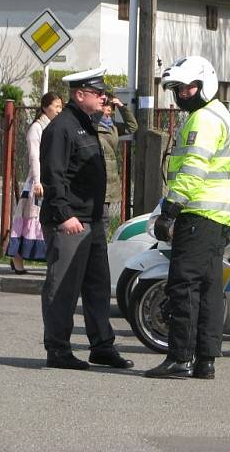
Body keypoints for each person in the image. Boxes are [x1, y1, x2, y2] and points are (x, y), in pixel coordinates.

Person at [145, 55, 230, 380]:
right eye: (178, 89)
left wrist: (169, 211)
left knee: (184, 286)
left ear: (205, 83)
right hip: (220, 217)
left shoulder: (202, 119)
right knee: (209, 289)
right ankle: (205, 360)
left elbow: (192, 170)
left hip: (198, 213)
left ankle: (180, 358)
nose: (182, 94)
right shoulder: (223, 116)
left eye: (188, 87)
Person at [40, 67, 133, 371]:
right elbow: (53, 176)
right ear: (80, 95)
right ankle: (58, 349)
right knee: (63, 286)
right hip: (70, 221)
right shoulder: (62, 127)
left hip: (92, 218)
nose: (104, 97)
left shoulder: (87, 123)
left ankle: (102, 346)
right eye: (98, 93)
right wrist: (64, 215)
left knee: (97, 285)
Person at [6, 92, 63, 273]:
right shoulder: (37, 128)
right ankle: (17, 260)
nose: (59, 110)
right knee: (30, 223)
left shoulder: (55, 128)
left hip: (50, 181)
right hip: (36, 183)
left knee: (42, 224)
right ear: (45, 107)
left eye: (61, 106)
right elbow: (34, 158)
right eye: (56, 106)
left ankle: (48, 262)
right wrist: (37, 182)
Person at [96, 92, 137, 218]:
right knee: (101, 218)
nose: (109, 109)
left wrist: (121, 106)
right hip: (99, 176)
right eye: (105, 105)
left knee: (104, 219)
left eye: (111, 106)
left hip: (111, 178)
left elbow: (132, 127)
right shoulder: (92, 126)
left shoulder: (112, 127)